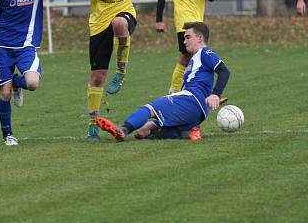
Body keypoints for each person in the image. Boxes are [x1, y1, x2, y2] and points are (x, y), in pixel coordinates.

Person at [0, 0, 110, 145]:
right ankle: (8, 135)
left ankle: (17, 82)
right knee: (4, 93)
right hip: (2, 47)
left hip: (26, 45)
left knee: (32, 83)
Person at [62, 0, 186, 141]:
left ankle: (121, 72)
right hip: (98, 24)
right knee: (97, 77)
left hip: (125, 14)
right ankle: (92, 123)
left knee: (119, 23)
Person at [96, 21, 230, 141]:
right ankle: (187, 132)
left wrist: (215, 94)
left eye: (188, 37)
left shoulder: (204, 52)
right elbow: (202, 84)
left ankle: (123, 130)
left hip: (191, 100)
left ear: (200, 38)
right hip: (198, 113)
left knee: (150, 109)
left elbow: (224, 71)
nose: (184, 42)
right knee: (145, 130)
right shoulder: (196, 58)